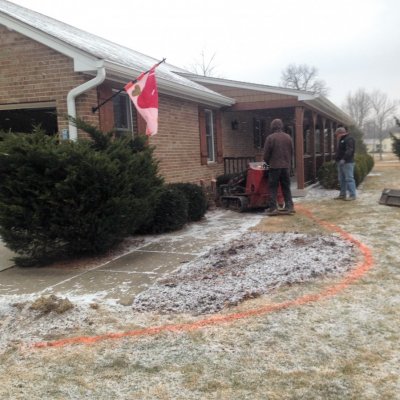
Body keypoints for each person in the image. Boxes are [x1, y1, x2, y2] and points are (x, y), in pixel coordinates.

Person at [263, 118, 295, 215]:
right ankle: (289, 206)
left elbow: (266, 155)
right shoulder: (288, 137)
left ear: (272, 127)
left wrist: (268, 162)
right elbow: (292, 152)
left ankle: (273, 208)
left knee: (273, 187)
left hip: (275, 166)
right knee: (286, 187)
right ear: (281, 126)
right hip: (286, 166)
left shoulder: (270, 138)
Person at [334, 127, 356, 201]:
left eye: (337, 134)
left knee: (349, 179)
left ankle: (352, 195)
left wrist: (344, 159)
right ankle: (342, 195)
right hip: (340, 162)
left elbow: (349, 150)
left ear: (340, 133)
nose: (336, 136)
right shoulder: (342, 140)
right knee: (342, 179)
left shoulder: (349, 139)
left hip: (347, 162)